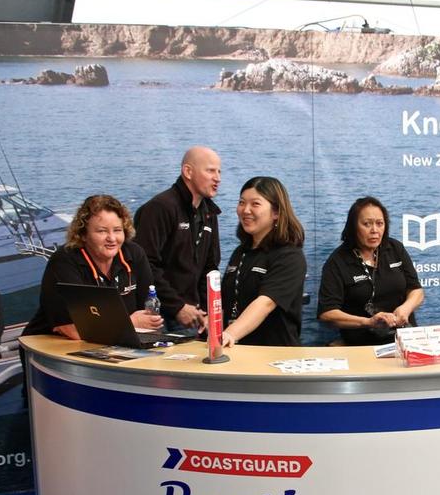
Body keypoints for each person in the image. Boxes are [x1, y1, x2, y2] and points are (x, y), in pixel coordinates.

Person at [22, 194, 162, 339]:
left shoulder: (134, 254)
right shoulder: (65, 260)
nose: (112, 238)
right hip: (51, 345)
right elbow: (73, 330)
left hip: (116, 341)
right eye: (102, 231)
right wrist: (131, 322)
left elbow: (148, 319)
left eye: (117, 230)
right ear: (83, 234)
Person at [133, 146, 222, 335]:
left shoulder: (209, 213)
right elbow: (145, 263)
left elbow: (210, 266)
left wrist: (207, 311)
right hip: (159, 315)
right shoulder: (160, 208)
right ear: (188, 171)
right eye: (210, 170)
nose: (217, 178)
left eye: (219, 171)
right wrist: (177, 306)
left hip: (194, 315)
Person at [317, 196, 424, 345]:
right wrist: (368, 322)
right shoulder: (337, 261)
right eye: (367, 224)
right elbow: (327, 314)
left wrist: (406, 308)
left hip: (405, 341)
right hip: (362, 345)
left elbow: (416, 290)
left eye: (380, 224)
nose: (375, 230)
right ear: (353, 226)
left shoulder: (395, 248)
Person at [220, 177, 306, 348]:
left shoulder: (290, 256)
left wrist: (230, 333)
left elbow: (265, 303)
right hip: (237, 351)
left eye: (255, 204)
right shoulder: (240, 252)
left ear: (276, 212)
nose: (245, 210)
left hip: (274, 356)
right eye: (242, 203)